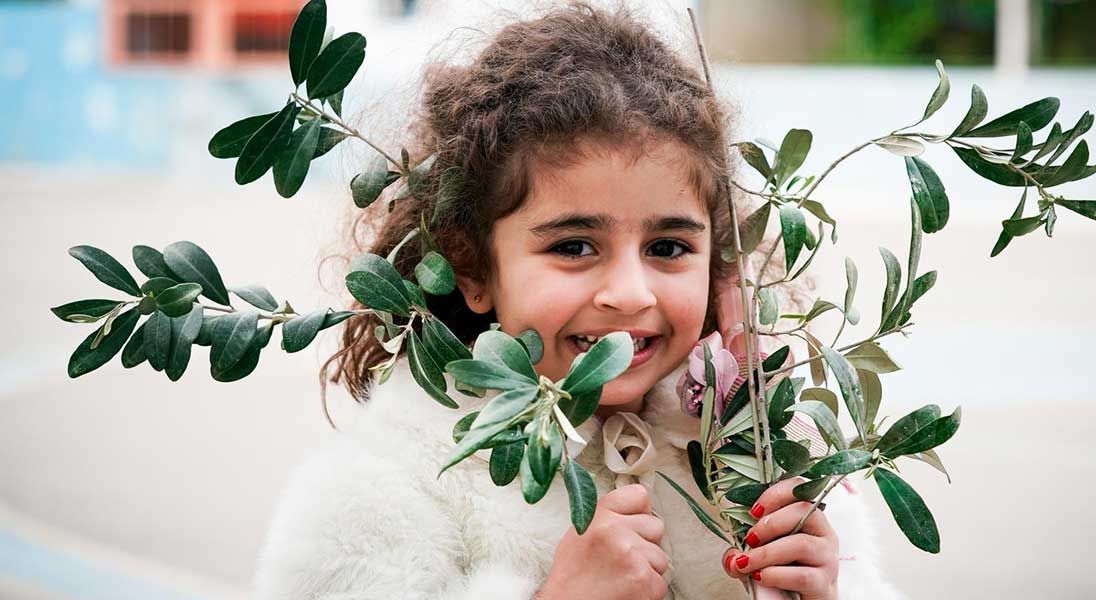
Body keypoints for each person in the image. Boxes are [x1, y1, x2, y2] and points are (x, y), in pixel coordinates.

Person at [253, 3, 903, 599]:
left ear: (720, 261)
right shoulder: (391, 479)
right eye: (573, 246)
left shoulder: (762, 449)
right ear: (471, 265)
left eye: (670, 247)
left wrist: (822, 588)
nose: (629, 293)